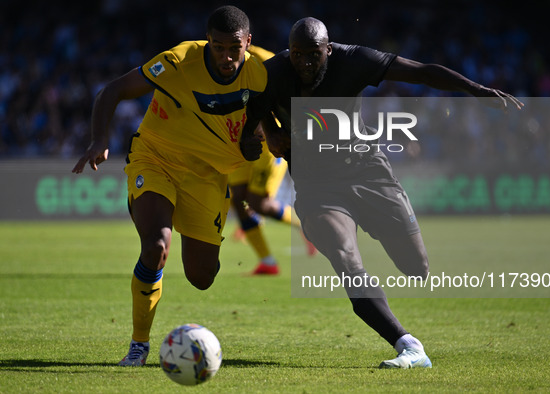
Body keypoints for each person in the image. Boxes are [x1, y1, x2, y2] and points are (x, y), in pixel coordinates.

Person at [247, 17, 523, 369]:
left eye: (313, 55)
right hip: (318, 187)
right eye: (297, 54)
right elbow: (248, 110)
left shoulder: (355, 60)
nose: (304, 63)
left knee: (416, 267)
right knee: (345, 258)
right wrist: (268, 131)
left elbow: (421, 72)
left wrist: (476, 90)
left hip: (369, 173)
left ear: (328, 50)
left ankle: (378, 226)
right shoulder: (272, 73)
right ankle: (408, 346)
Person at [72, 6, 266, 366]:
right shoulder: (178, 61)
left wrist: (262, 137)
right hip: (155, 158)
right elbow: (113, 90)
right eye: (218, 46)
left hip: (207, 176)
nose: (226, 56)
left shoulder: (262, 70)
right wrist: (99, 139)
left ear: (248, 43)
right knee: (157, 245)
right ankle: (139, 345)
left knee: (202, 276)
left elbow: (281, 111)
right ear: (208, 41)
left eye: (233, 48)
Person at [227, 45, 309, 276]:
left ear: (247, 40)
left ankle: (306, 227)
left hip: (268, 142)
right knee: (238, 200)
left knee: (257, 202)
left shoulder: (266, 61)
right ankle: (268, 262)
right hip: (240, 140)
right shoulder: (214, 62)